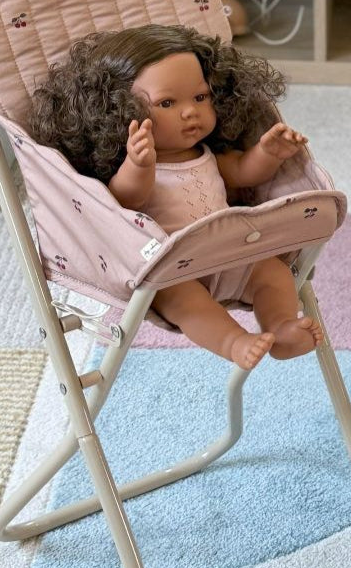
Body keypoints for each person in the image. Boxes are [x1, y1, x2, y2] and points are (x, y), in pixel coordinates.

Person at [29, 23, 322, 370]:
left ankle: (281, 327)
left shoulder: (207, 154)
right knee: (186, 302)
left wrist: (269, 152)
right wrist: (139, 165)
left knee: (274, 274)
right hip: (172, 271)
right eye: (168, 103)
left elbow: (244, 173)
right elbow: (123, 203)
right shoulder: (136, 162)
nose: (190, 111)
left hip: (232, 254)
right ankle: (233, 341)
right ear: (121, 112)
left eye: (200, 97)